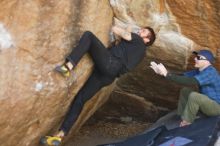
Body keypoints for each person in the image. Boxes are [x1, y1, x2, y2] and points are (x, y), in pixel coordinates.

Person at [40, 25, 156, 146]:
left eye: (143, 31)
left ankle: (68, 66)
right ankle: (59, 136)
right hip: (108, 76)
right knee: (80, 99)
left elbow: (116, 29)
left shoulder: (138, 40)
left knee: (88, 36)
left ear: (147, 40)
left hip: (110, 63)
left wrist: (128, 28)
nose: (140, 31)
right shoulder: (141, 53)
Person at [150, 49, 220, 127]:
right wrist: (164, 73)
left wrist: (167, 74)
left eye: (199, 58)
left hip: (216, 108)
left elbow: (190, 81)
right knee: (186, 91)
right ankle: (182, 115)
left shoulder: (210, 72)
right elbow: (182, 76)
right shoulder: (199, 71)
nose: (195, 59)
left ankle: (187, 122)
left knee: (194, 96)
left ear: (207, 62)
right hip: (208, 102)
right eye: (196, 57)